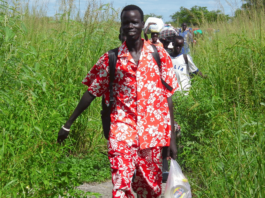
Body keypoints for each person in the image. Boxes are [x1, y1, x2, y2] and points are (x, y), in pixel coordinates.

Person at [57, 4, 179, 198]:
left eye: (134, 22)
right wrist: (68, 124)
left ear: (142, 25)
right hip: (122, 129)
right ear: (121, 26)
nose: (130, 25)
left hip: (153, 133)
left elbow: (168, 97)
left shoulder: (159, 55)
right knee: (120, 186)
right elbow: (91, 92)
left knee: (150, 189)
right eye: (126, 22)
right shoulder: (111, 58)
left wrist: (171, 137)